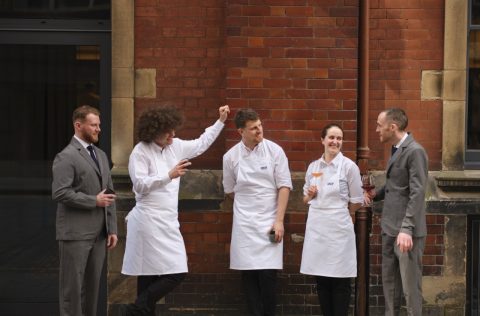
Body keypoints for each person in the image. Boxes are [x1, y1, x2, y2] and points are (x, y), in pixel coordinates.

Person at [120, 105, 230, 316]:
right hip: (147, 219)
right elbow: (140, 185)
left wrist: (220, 121)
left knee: (177, 271)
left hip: (168, 220)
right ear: (153, 131)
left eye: (173, 129)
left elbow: (201, 144)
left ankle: (135, 308)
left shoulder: (175, 146)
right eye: (167, 131)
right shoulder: (140, 152)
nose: (173, 134)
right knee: (147, 274)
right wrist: (168, 175)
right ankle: (139, 309)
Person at [222, 108, 292, 316]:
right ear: (240, 131)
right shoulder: (230, 157)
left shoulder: (275, 151)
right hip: (244, 224)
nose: (259, 130)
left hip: (270, 221)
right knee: (249, 277)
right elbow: (230, 190)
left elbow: (284, 186)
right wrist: (248, 205)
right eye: (253, 128)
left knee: (268, 276)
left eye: (260, 126)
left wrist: (278, 221)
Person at [52, 105, 118, 316]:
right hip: (75, 234)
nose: (98, 129)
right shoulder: (66, 156)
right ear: (78, 125)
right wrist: (93, 201)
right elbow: (60, 193)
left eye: (99, 125)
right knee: (72, 290)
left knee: (92, 290)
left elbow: (110, 194)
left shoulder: (101, 155)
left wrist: (112, 228)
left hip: (99, 235)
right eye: (93, 125)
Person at [366, 108, 428, 316]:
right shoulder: (396, 149)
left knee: (411, 291)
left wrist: (407, 228)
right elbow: (397, 186)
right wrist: (376, 194)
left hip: (405, 233)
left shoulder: (415, 151)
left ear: (392, 127)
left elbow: (417, 192)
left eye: (379, 125)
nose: (376, 130)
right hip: (389, 228)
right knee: (390, 287)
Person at [300, 123, 363, 316]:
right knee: (322, 280)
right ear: (323, 140)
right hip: (317, 229)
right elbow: (304, 199)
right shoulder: (313, 167)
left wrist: (344, 214)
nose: (335, 141)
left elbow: (357, 200)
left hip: (339, 230)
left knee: (340, 281)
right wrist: (310, 195)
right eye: (331, 137)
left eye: (339, 138)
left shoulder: (349, 167)